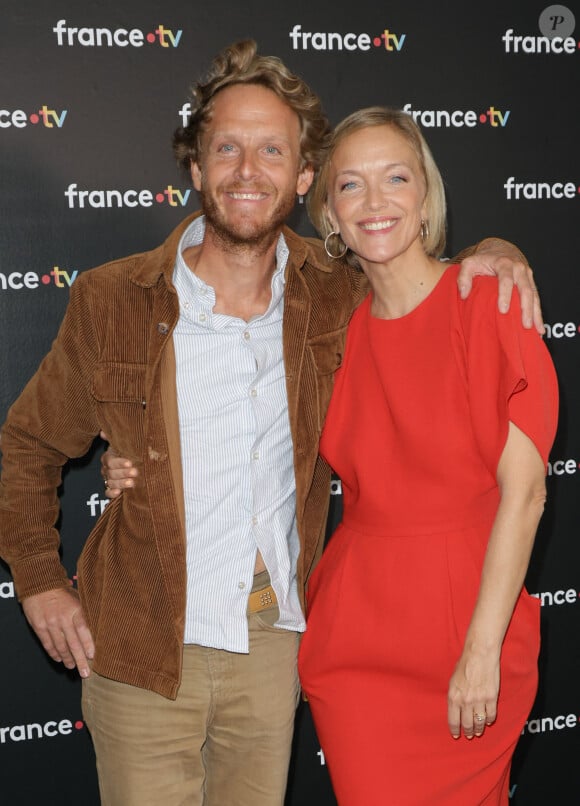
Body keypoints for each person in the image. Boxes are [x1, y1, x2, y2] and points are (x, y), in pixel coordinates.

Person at [0, 40, 540, 806]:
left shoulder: (333, 292)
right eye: (227, 148)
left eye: (271, 151)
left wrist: (499, 249)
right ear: (195, 167)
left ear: (304, 177)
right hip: (145, 649)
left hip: (275, 645)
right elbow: (26, 445)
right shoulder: (113, 299)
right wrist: (40, 580)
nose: (247, 171)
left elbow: (420, 279)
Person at [294, 107, 559, 805]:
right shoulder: (331, 329)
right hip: (357, 632)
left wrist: (480, 651)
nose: (376, 202)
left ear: (426, 196)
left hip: (470, 618)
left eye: (396, 178)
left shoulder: (489, 304)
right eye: (351, 186)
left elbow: (525, 494)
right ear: (330, 211)